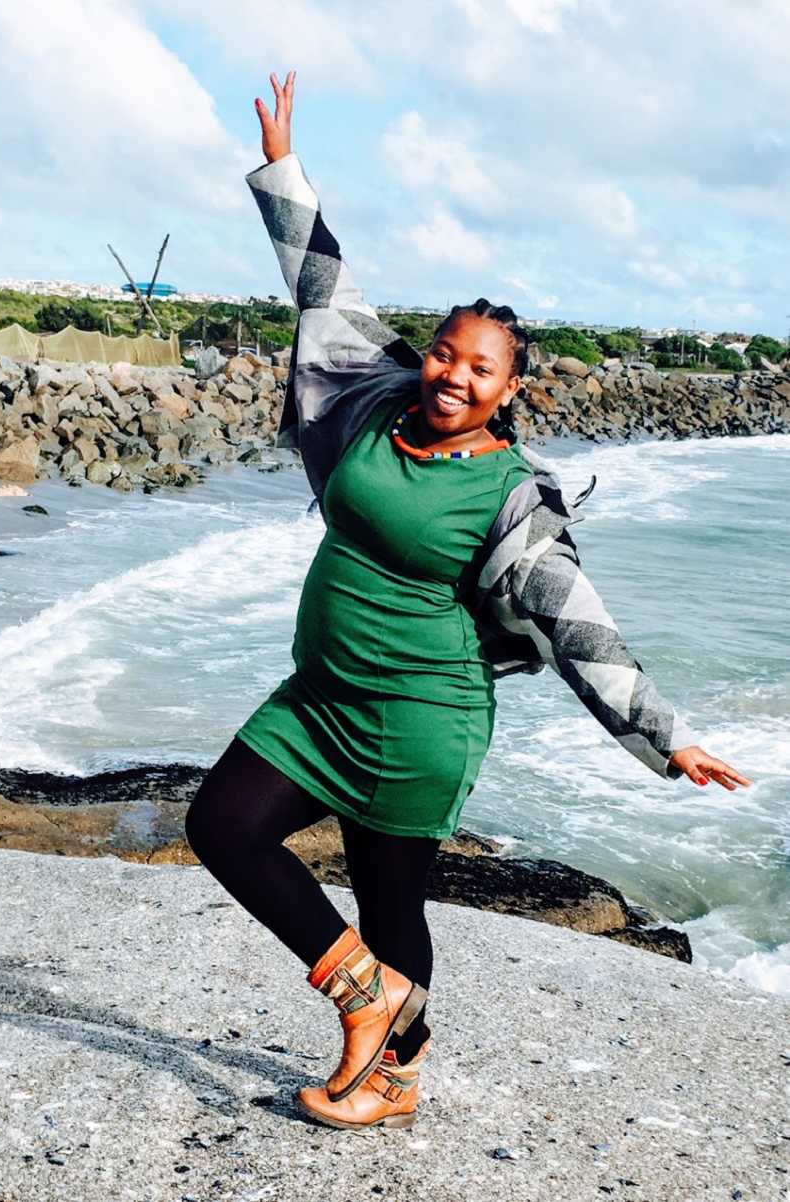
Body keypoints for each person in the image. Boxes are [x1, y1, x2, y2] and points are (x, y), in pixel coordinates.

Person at [185, 70, 751, 1132]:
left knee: (392, 905)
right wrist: (282, 171)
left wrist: (667, 737)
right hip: (318, 696)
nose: (452, 372)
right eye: (445, 350)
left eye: (479, 368)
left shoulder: (507, 499)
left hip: (418, 718)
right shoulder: (378, 401)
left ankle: (390, 1076)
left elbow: (582, 626)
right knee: (222, 823)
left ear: (509, 389)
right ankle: (375, 1008)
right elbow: (322, 288)